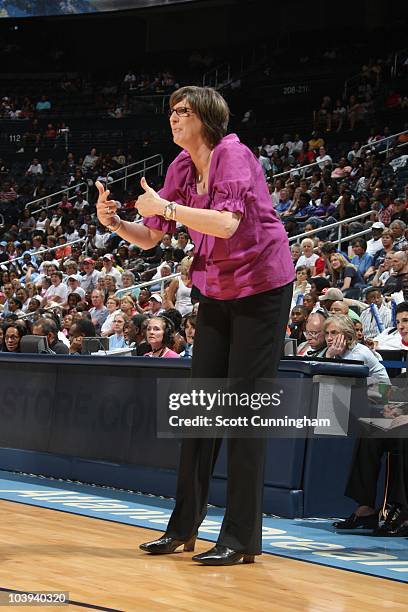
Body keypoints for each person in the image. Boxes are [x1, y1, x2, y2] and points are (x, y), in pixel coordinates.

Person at [96, 85, 294, 566]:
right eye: (170, 111)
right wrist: (118, 223)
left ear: (205, 116)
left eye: (182, 111)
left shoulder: (234, 156)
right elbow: (151, 238)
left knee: (243, 412)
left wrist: (164, 208)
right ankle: (183, 528)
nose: (173, 118)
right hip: (217, 291)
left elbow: (225, 223)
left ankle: (242, 537)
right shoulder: (181, 167)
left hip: (262, 289)